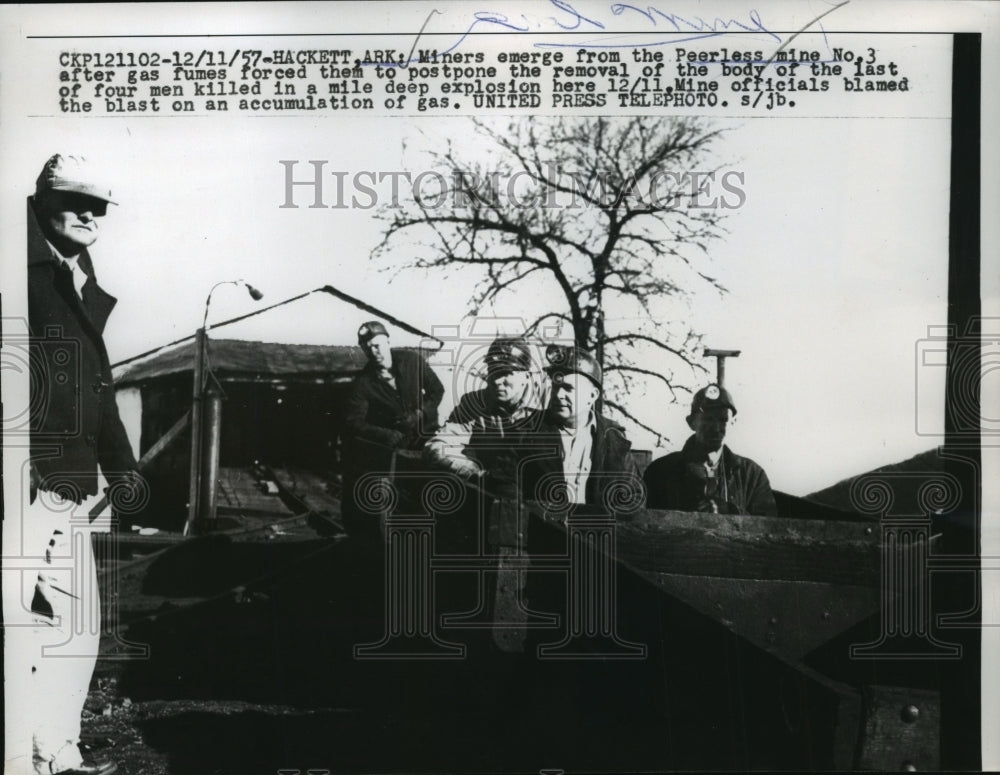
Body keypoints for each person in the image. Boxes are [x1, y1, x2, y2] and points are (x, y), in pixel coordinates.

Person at [5, 154, 138, 775]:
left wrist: (124, 467)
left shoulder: (73, 278)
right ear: (40, 200)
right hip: (28, 479)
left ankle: (53, 749)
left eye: (101, 205)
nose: (90, 214)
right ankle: (28, 755)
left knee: (74, 628)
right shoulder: (18, 272)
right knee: (27, 625)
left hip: (69, 482)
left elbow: (95, 385)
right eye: (74, 200)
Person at [341, 321, 444, 529]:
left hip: (428, 436)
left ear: (387, 341)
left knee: (438, 485)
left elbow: (437, 391)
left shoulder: (411, 361)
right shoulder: (363, 383)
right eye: (368, 347)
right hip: (397, 446)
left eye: (378, 345)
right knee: (401, 494)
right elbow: (353, 423)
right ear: (363, 349)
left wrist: (419, 413)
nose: (374, 351)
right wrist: (386, 435)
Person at [519, 345, 641, 511]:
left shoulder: (614, 440)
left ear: (592, 396)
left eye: (568, 388)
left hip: (595, 535)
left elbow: (632, 500)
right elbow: (507, 493)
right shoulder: (526, 433)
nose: (558, 394)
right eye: (555, 386)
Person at [424, 336, 543, 496]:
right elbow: (438, 448)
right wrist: (478, 473)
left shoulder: (549, 403)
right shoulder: (475, 403)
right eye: (493, 370)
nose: (497, 381)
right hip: (492, 493)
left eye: (506, 373)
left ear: (526, 376)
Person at [643, 384, 777, 516]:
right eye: (707, 419)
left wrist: (731, 512)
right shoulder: (660, 471)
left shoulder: (752, 475)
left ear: (733, 422)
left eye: (723, 419)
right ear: (691, 422)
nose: (715, 427)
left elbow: (770, 527)